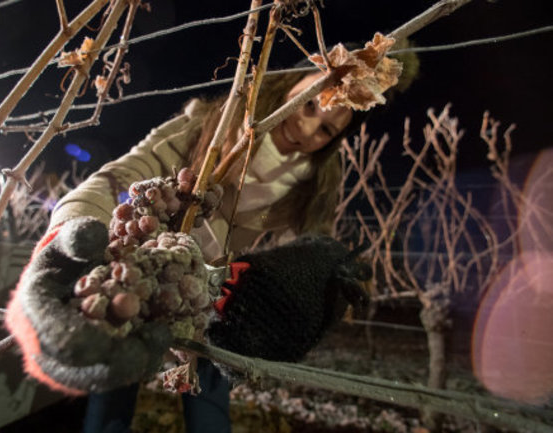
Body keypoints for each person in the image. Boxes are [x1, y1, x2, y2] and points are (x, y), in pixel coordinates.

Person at [33, 42, 418, 433]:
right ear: (293, 81)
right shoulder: (211, 124)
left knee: (210, 395)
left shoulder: (314, 181)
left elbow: (312, 248)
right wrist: (74, 228)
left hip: (212, 296)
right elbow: (120, 175)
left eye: (326, 130)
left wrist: (310, 289)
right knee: (114, 381)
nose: (307, 128)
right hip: (145, 268)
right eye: (308, 104)